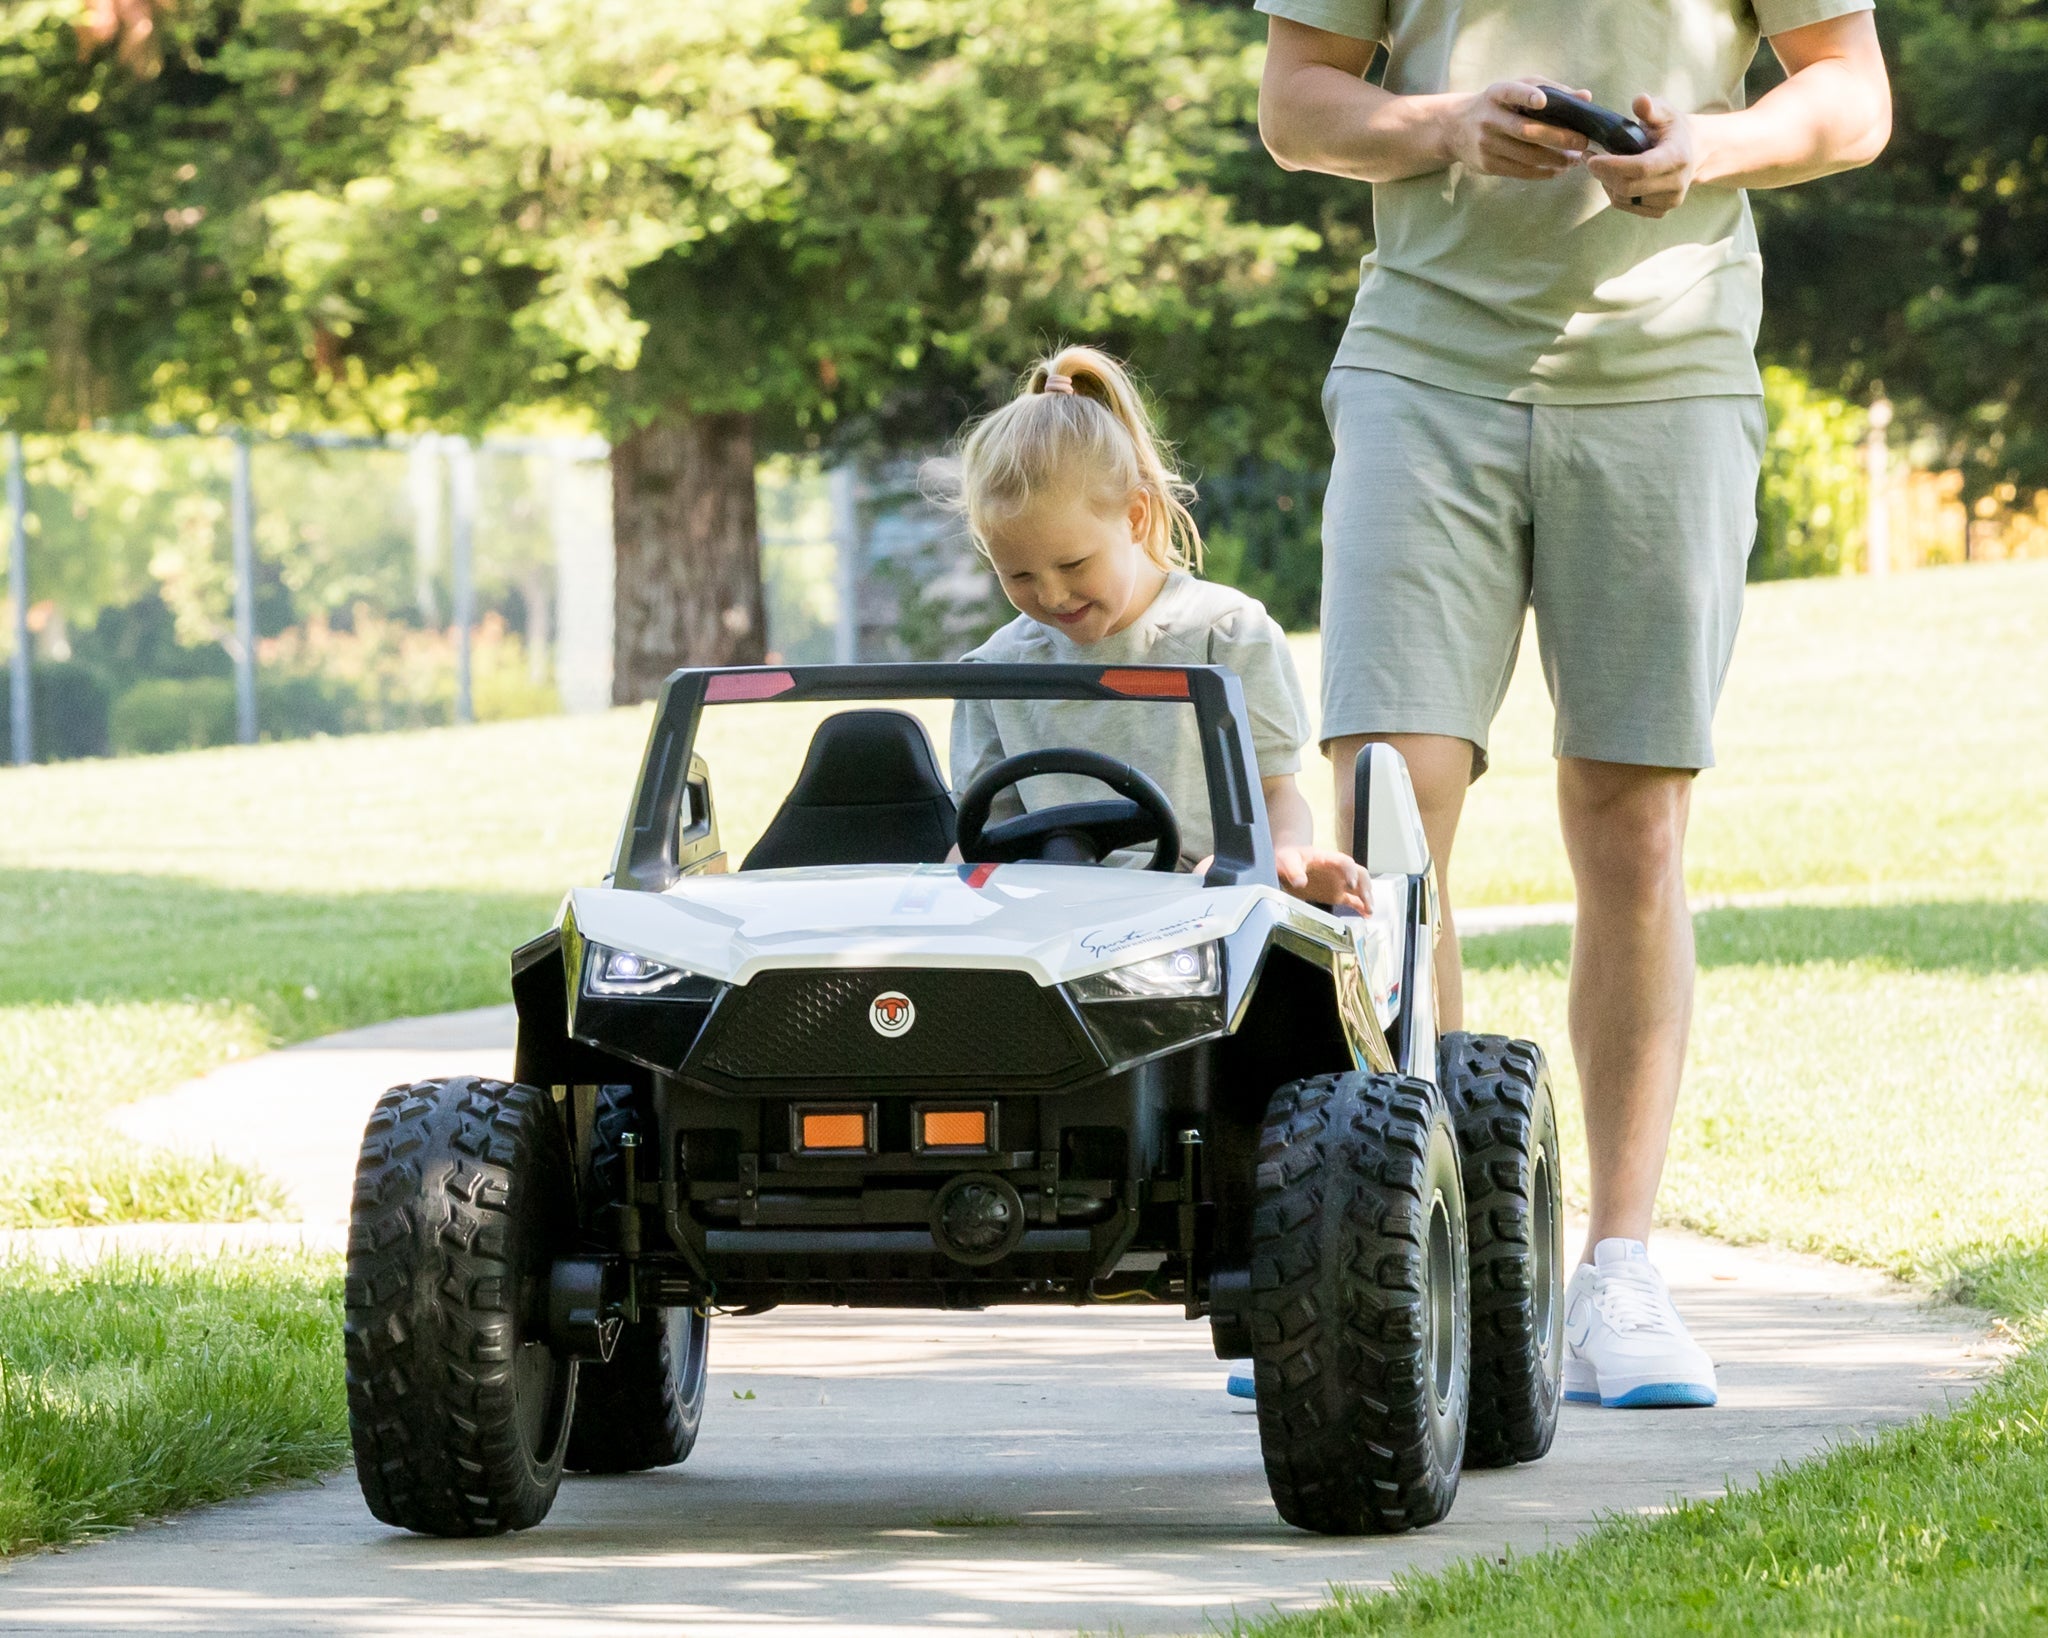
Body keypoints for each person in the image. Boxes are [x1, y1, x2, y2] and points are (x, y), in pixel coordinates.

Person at [1254, 0, 1891, 1406]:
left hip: (1668, 381)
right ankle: (1403, 1250)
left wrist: (1709, 146)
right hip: (1427, 372)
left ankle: (1618, 1269)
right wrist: (1441, 125)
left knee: (1633, 822)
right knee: (1388, 823)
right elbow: (1295, 104)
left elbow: (1850, 99)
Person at [944, 344, 1368, 915]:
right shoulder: (994, 674)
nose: (1050, 594)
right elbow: (981, 845)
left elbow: (1276, 795)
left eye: (1072, 565)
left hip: (1208, 915)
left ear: (1136, 516)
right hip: (1052, 927)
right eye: (1017, 574)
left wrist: (1284, 858)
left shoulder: (1227, 635)